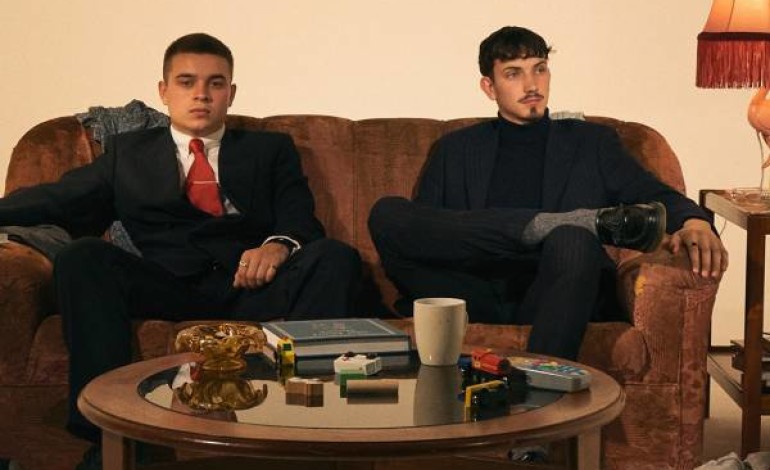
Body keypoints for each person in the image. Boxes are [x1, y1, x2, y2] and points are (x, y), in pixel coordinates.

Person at [0, 33, 361, 468]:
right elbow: (57, 198)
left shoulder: (270, 150)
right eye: (187, 82)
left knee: (335, 257)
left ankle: (303, 426)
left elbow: (300, 218)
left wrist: (277, 246)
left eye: (215, 83)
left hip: (250, 287)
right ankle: (109, 435)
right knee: (83, 257)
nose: (201, 94)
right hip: (167, 285)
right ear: (164, 91)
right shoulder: (128, 155)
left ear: (231, 93)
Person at [368, 26, 727, 363]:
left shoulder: (591, 143)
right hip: (471, 291)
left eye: (539, 69)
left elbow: (654, 193)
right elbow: (431, 233)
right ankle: (573, 223)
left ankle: (542, 390)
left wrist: (694, 221)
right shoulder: (455, 149)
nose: (531, 84)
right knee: (386, 213)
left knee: (573, 238)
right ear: (489, 87)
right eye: (513, 74)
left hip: (555, 289)